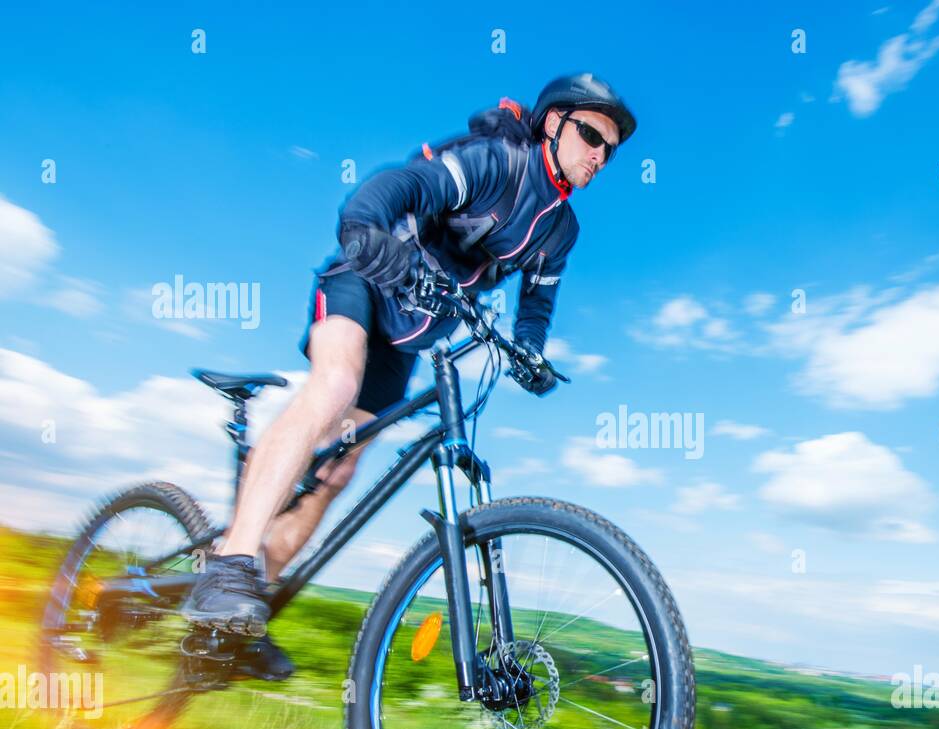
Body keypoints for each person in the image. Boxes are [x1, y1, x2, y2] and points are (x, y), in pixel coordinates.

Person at [180, 73, 636, 680]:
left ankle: (249, 608)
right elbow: (406, 183)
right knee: (336, 385)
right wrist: (366, 226)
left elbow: (538, 301)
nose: (600, 156)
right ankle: (230, 565)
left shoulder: (561, 229)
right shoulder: (496, 162)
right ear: (553, 124)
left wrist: (530, 351)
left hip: (410, 333)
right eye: (590, 136)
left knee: (339, 468)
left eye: (610, 148)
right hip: (366, 278)